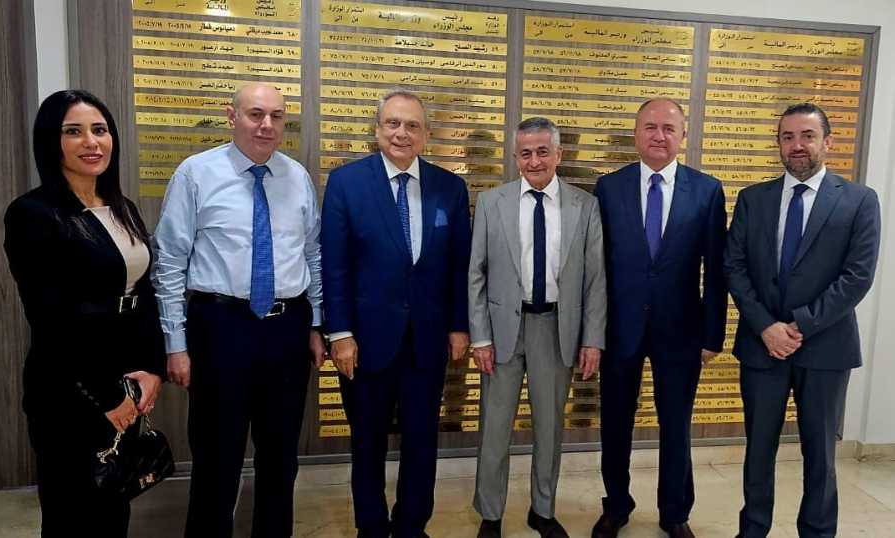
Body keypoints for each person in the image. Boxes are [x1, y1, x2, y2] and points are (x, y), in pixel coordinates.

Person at [151, 82, 325, 537]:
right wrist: (175, 343)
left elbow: (312, 254)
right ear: (232, 117)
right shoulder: (196, 173)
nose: (267, 125)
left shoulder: (297, 177)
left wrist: (317, 323)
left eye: (276, 116)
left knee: (281, 457)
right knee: (216, 456)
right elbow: (169, 262)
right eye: (255, 114)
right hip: (220, 326)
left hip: (287, 327)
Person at [3, 89, 165, 537]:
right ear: (51, 141)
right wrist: (108, 397)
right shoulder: (33, 213)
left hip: (128, 380)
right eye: (73, 131)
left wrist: (152, 368)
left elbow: (142, 293)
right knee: (72, 513)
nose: (91, 142)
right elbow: (51, 320)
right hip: (70, 388)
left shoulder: (123, 209)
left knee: (114, 506)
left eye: (100, 130)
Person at [724, 103, 880, 538]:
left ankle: (817, 532)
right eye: (788, 136)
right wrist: (766, 327)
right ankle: (753, 529)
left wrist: (799, 326)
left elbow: (857, 277)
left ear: (827, 142)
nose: (797, 145)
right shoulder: (753, 199)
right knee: (758, 451)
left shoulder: (859, 200)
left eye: (807, 136)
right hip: (762, 346)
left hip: (827, 348)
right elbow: (733, 266)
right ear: (778, 143)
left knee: (820, 454)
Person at [321, 88, 471, 538]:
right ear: (377, 129)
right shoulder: (347, 183)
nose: (401, 133)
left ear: (426, 135)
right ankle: (371, 527)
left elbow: (458, 266)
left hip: (427, 341)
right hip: (366, 343)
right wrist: (339, 333)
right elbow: (334, 264)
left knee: (422, 442)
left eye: (412, 125)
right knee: (367, 443)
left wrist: (459, 325)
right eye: (393, 123)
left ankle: (411, 526)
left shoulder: (450, 188)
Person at [592, 98, 727, 538]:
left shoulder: (706, 190)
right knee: (616, 423)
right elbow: (596, 268)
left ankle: (675, 513)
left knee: (675, 425)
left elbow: (716, 269)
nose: (659, 136)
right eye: (650, 127)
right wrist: (592, 331)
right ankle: (616, 506)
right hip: (620, 328)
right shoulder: (608, 188)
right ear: (636, 133)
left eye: (669, 128)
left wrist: (712, 335)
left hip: (681, 330)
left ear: (683, 136)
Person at [468, 117, 606, 538]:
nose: (534, 161)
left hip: (556, 329)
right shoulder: (491, 203)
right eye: (525, 153)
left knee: (549, 428)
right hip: (502, 333)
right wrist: (480, 337)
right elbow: (476, 274)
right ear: (515, 157)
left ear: (559, 154)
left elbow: (595, 280)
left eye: (543, 151)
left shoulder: (585, 206)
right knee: (495, 429)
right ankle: (491, 514)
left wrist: (592, 339)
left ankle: (542, 511)